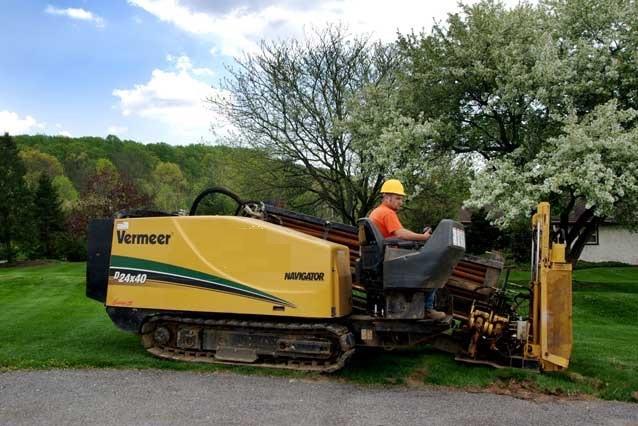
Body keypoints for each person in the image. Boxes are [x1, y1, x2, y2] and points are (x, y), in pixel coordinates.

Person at [368, 179, 446, 320]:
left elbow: (398, 233)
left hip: (383, 258)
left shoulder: (376, 212)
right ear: (387, 197)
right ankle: (428, 308)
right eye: (398, 198)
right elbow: (401, 234)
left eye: (401, 199)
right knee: (432, 270)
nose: (401, 202)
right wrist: (424, 237)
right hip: (389, 259)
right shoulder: (387, 213)